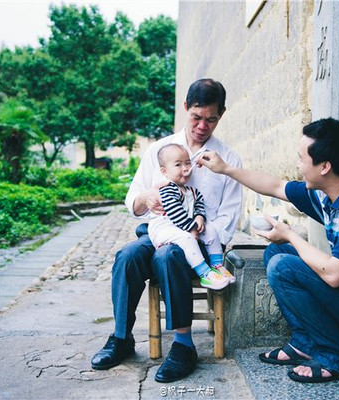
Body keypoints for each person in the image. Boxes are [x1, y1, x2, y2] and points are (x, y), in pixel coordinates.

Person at [197, 117, 339, 383]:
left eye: (302, 159)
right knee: (275, 254)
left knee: (283, 265)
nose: (298, 165)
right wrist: (225, 169)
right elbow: (275, 186)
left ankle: (337, 357)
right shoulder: (331, 193)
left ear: (325, 166)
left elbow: (335, 275)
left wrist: (290, 234)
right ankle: (305, 342)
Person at [91, 79, 242, 383]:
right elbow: (133, 201)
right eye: (196, 117)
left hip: (199, 243)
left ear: (221, 115)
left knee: (169, 256)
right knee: (128, 255)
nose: (202, 125)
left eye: (211, 119)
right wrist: (146, 198)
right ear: (185, 108)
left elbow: (230, 216)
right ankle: (121, 338)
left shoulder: (228, 159)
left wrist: (201, 229)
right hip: (157, 231)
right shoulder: (160, 150)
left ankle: (184, 346)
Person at [148, 143, 235, 290]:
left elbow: (199, 205)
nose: (186, 168)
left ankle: (217, 266)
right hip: (165, 228)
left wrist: (200, 218)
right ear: (165, 171)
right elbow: (175, 213)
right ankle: (205, 274)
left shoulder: (192, 191)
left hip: (185, 226)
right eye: (178, 165)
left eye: (188, 163)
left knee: (210, 229)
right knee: (187, 238)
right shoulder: (167, 190)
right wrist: (192, 229)